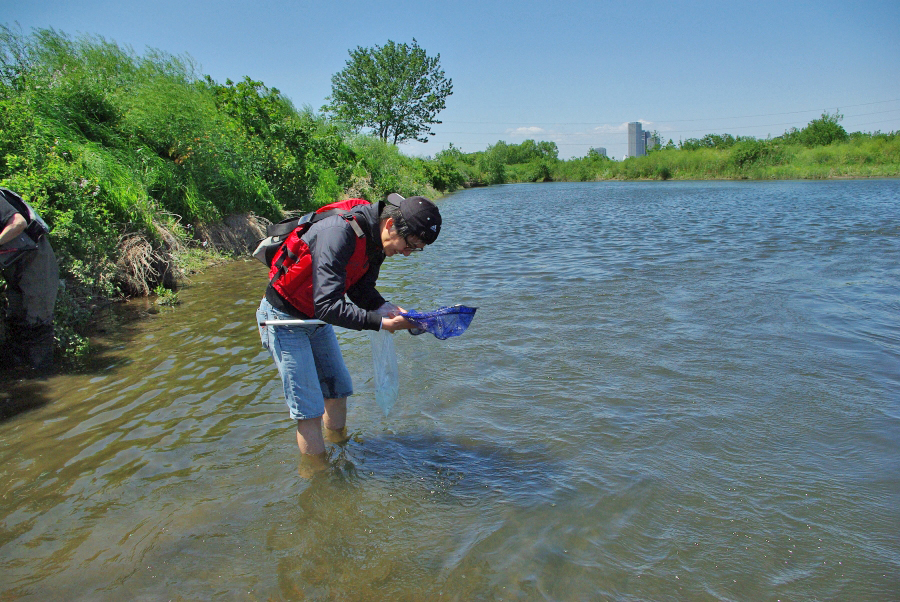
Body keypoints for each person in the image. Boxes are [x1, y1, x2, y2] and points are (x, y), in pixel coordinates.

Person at [256, 193, 441, 471]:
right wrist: (379, 323)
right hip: (283, 319)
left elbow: (359, 288)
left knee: (338, 389)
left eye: (415, 249)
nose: (406, 253)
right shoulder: (339, 233)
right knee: (309, 410)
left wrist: (384, 306)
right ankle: (320, 481)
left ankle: (340, 453)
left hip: (314, 317)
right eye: (409, 245)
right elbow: (328, 306)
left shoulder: (376, 240)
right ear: (390, 224)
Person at [0, 188, 59, 372]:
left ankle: (43, 378)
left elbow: (18, 223)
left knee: (38, 324)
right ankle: (22, 377)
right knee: (17, 320)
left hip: (36, 261)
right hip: (14, 266)